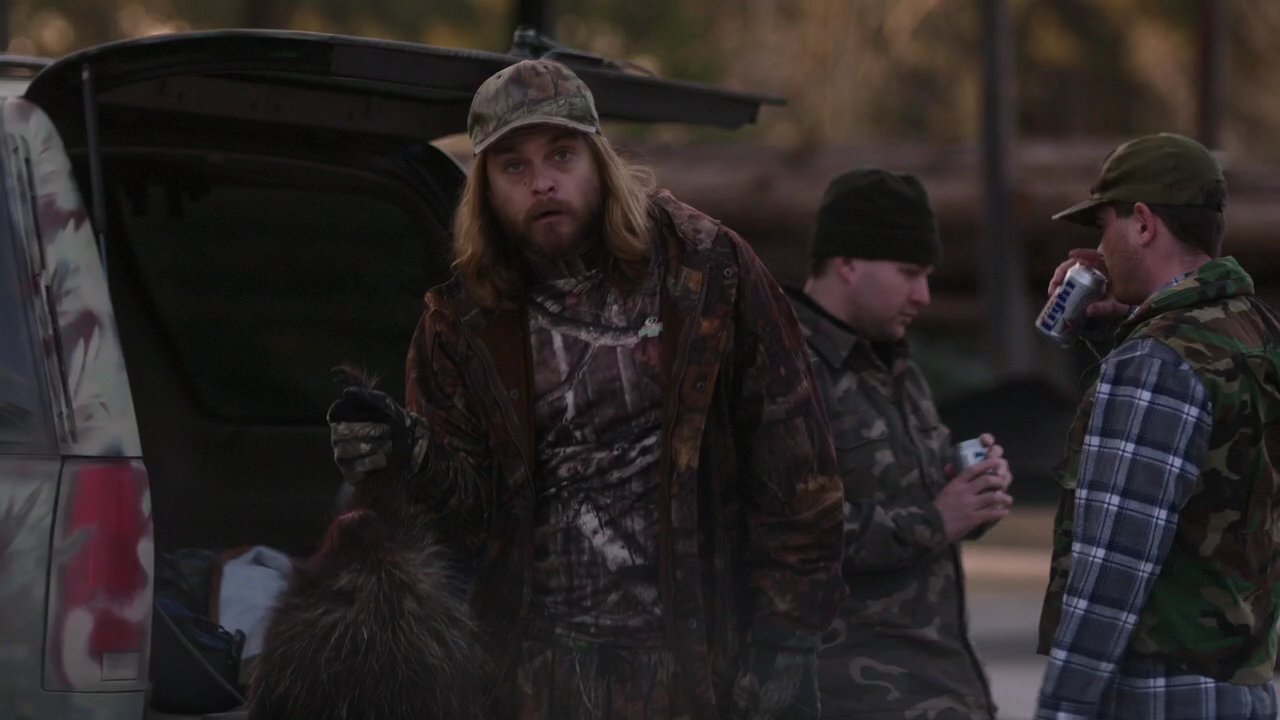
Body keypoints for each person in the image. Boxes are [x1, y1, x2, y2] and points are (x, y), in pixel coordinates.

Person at [327, 59, 846, 719]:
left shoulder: (706, 271)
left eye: (562, 154)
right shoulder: (460, 324)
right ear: (485, 188)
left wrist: (789, 637)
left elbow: (796, 466)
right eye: (513, 166)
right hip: (534, 677)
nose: (542, 181)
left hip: (697, 669)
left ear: (599, 160)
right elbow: (469, 528)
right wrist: (410, 456)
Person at [1035, 133, 1280, 720]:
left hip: (1158, 691)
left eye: (1105, 228)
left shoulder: (1156, 362)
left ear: (1143, 224)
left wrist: (1062, 708)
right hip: (1244, 685)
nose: (1099, 248)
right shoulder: (1255, 329)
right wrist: (1123, 323)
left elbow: (1114, 564)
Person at [785, 168, 1013, 719]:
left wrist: (973, 492)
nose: (924, 296)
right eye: (909, 273)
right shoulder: (783, 368)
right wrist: (936, 521)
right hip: (847, 696)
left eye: (927, 276)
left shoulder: (894, 362)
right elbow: (784, 530)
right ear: (847, 262)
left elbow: (917, 495)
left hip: (942, 686)